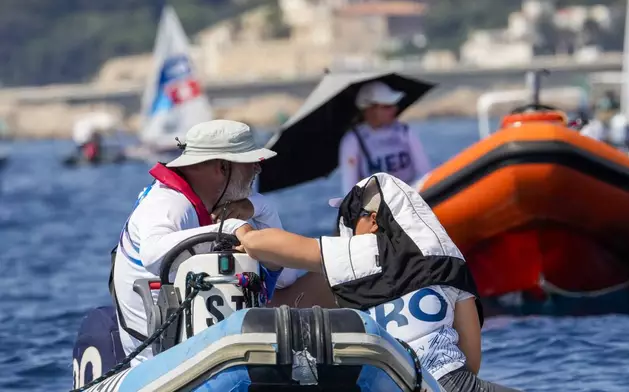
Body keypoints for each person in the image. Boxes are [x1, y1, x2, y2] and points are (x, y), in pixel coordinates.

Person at [232, 173, 520, 392]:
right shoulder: (447, 257)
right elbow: (471, 360)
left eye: (348, 218)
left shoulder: (364, 252)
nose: (343, 229)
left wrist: (246, 223)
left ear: (372, 221)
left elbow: (262, 244)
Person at [111, 119, 298, 366]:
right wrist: (230, 228)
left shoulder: (208, 202)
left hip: (199, 347)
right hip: (161, 364)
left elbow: (287, 278)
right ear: (222, 167)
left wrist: (261, 207)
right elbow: (153, 253)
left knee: (318, 284)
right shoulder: (169, 204)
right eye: (251, 163)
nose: (257, 169)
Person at [338, 81, 431, 194]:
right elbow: (350, 189)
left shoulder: (405, 132)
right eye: (387, 106)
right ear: (370, 110)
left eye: (393, 105)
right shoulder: (353, 141)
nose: (394, 109)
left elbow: (424, 173)